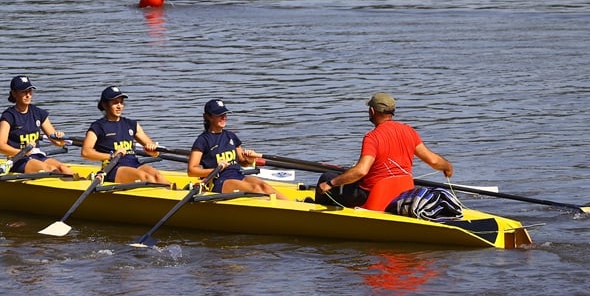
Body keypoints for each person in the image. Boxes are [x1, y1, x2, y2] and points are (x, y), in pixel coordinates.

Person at [315, 92, 453, 210]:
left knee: (326, 177)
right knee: (344, 177)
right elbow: (433, 161)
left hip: (372, 196)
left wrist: (330, 184)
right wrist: (447, 166)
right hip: (401, 192)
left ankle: (318, 217)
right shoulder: (409, 131)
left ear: (372, 111)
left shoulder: (372, 137)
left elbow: (361, 171)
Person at [186, 99, 282, 200]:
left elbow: (243, 162)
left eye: (225, 114)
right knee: (255, 189)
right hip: (218, 180)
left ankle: (295, 206)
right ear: (208, 117)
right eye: (219, 115)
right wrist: (215, 170)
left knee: (265, 187)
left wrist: (249, 159)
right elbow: (192, 170)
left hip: (237, 174)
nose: (224, 118)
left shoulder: (231, 136)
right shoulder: (203, 140)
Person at [79, 86, 172, 187]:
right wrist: (111, 156)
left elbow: (154, 150)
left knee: (158, 177)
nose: (119, 106)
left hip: (133, 162)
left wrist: (152, 151)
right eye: (115, 103)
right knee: (144, 177)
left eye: (121, 102)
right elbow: (86, 152)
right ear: (104, 105)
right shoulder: (98, 127)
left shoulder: (131, 124)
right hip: (112, 167)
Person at [0, 75, 74, 176]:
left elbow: (57, 142)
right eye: (23, 92)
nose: (28, 95)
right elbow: (0, 146)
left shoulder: (38, 113)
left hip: (37, 155)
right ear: (14, 93)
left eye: (30, 91)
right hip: (17, 159)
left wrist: (60, 138)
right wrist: (22, 152)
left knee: (63, 169)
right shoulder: (9, 116)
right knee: (49, 169)